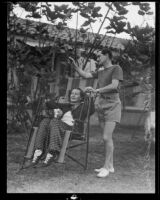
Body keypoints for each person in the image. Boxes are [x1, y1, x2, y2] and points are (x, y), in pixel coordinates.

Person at [69, 48, 123, 178]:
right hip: (101, 105)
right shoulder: (100, 71)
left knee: (106, 137)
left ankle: (105, 167)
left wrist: (97, 90)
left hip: (112, 106)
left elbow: (114, 86)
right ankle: (110, 165)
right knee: (107, 138)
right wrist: (76, 67)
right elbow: (85, 75)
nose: (97, 58)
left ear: (107, 56)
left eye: (99, 56)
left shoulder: (116, 68)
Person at [28, 88, 95, 168]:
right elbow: (49, 103)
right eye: (72, 93)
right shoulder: (66, 105)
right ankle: (38, 151)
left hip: (74, 129)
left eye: (76, 94)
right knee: (45, 121)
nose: (73, 95)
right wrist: (58, 108)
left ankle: (52, 152)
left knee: (54, 121)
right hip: (59, 127)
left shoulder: (83, 107)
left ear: (81, 98)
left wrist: (89, 96)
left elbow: (91, 109)